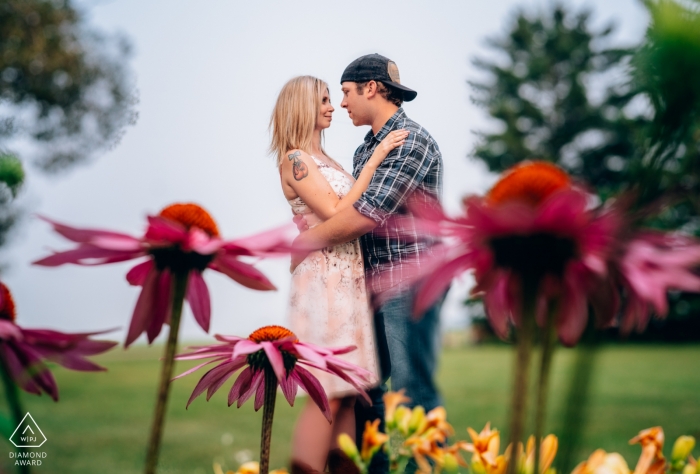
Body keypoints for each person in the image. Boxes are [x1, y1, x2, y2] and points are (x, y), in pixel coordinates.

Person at [291, 54, 445, 473]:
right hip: (371, 286)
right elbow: (344, 207)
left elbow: (363, 215)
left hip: (408, 282)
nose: (341, 104)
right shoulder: (366, 150)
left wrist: (304, 243)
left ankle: (417, 468)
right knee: (367, 393)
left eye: (344, 92)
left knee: (411, 393)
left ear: (371, 87)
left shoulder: (410, 141)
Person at [270, 75, 409, 473]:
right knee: (328, 392)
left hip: (347, 277)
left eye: (333, 99)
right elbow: (336, 212)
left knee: (350, 391)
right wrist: (378, 156)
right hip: (323, 280)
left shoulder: (326, 159)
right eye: (325, 100)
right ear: (302, 107)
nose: (333, 107)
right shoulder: (295, 158)